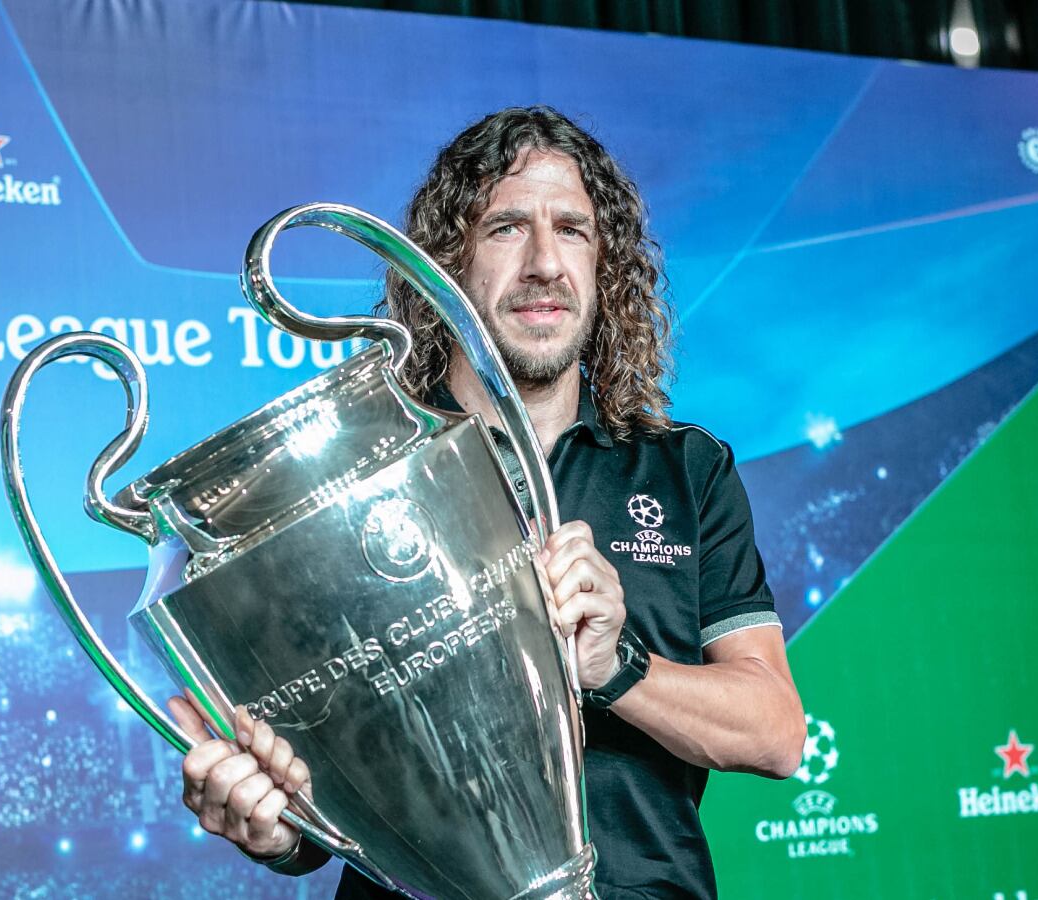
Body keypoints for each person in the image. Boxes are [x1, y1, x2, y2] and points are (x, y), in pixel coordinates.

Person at [167, 106, 806, 899]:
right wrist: (274, 829)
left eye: (572, 229)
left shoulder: (684, 470)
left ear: (606, 266)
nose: (544, 261)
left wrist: (616, 668)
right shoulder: (353, 478)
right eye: (506, 228)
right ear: (447, 264)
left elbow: (776, 733)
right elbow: (314, 792)